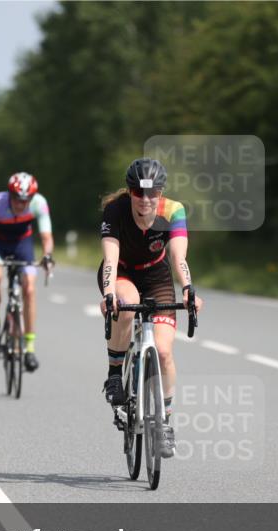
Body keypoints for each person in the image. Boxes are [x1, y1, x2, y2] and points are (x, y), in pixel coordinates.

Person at [97, 158, 203, 458]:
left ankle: (165, 422)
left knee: (165, 351)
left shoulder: (173, 210)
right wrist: (108, 294)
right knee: (127, 305)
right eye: (138, 193)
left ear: (161, 192)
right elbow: (109, 260)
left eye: (152, 193)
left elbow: (178, 257)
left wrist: (187, 289)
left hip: (157, 276)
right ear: (130, 191)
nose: (145, 200)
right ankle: (115, 374)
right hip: (123, 272)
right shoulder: (115, 210)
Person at [0, 172, 54, 372]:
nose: (21, 204)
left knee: (29, 289)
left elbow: (46, 236)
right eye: (17, 200)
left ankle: (29, 348)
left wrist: (47, 256)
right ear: (9, 194)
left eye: (26, 200)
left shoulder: (39, 203)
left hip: (22, 243)